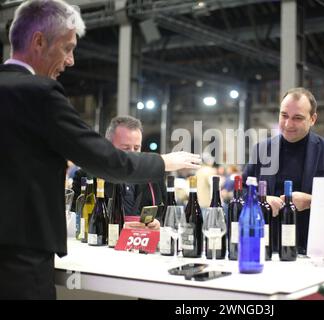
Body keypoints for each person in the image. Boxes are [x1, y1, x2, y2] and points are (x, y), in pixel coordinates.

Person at [0, 0, 200, 299]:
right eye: (67, 48)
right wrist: (164, 161)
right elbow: (104, 159)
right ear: (38, 42)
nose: (71, 61)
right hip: (21, 256)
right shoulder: (39, 92)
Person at [243, 87, 324, 254]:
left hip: (313, 247)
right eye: (284, 115)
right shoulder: (262, 149)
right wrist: (259, 200)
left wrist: (312, 201)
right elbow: (242, 190)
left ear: (312, 119)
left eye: (297, 118)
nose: (288, 124)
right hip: (268, 247)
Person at [72, 115, 166, 230]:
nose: (133, 155)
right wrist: (117, 227)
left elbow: (166, 214)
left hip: (144, 244)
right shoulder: (87, 176)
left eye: (137, 148)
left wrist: (158, 223)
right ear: (108, 147)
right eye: (126, 148)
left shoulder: (154, 176)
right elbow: (76, 221)